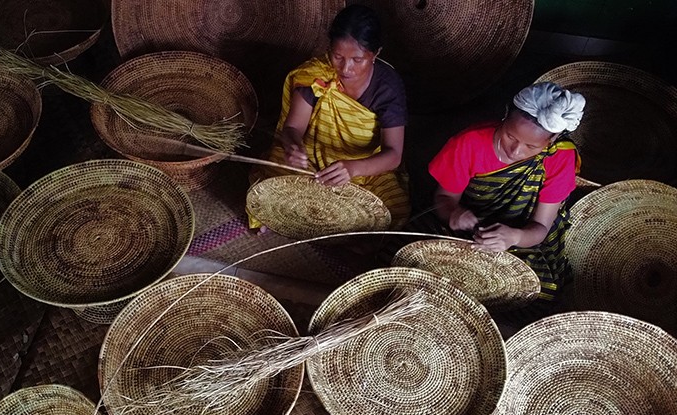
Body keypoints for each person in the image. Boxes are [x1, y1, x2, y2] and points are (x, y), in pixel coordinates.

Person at [249, 4, 410, 231]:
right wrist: (293, 147)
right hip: (312, 164)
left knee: (391, 209)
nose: (346, 68)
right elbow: (293, 127)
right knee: (270, 186)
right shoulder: (315, 75)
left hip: (363, 167)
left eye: (358, 59)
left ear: (376, 54)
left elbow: (393, 155)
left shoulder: (387, 87)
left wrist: (353, 169)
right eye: (337, 56)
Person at [427, 82, 586, 301]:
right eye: (510, 136)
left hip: (521, 238)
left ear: (552, 140)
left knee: (538, 290)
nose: (515, 151)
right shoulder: (469, 142)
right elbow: (444, 198)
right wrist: (453, 214)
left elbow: (540, 228)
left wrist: (514, 236)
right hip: (468, 229)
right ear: (504, 116)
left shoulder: (559, 157)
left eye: (531, 147)